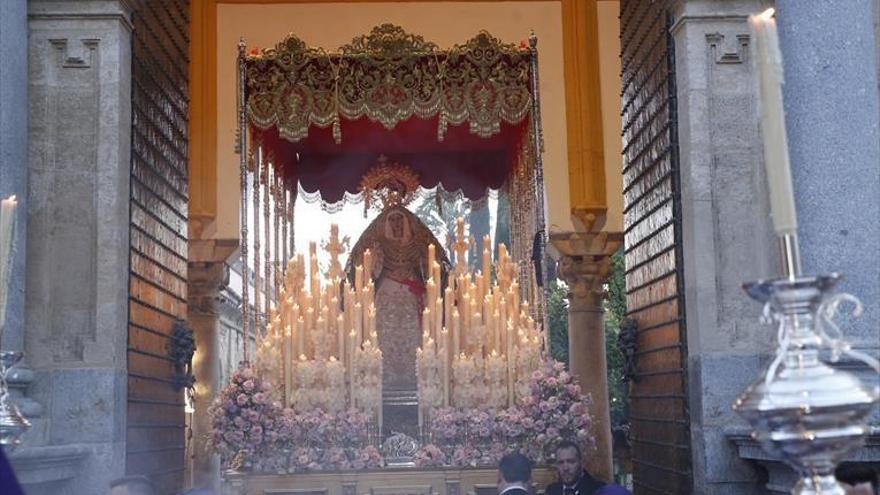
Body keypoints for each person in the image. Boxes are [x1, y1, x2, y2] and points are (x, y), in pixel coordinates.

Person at [546, 440, 631, 495]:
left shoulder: (599, 490)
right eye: (561, 462)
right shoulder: (551, 490)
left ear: (581, 463)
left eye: (571, 461)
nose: (565, 468)